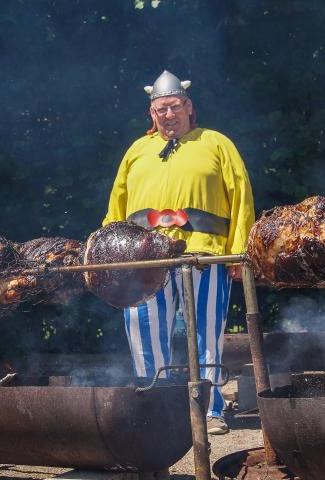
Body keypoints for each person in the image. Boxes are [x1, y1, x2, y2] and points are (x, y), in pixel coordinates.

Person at [102, 70, 255, 435]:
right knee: (142, 330)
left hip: (202, 253)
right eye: (160, 110)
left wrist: (238, 252)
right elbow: (115, 208)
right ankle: (154, 408)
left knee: (205, 333)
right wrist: (109, 260)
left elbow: (242, 197)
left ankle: (211, 409)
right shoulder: (137, 151)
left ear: (188, 106)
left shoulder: (216, 143)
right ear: (151, 114)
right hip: (144, 259)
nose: (168, 115)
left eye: (173, 107)